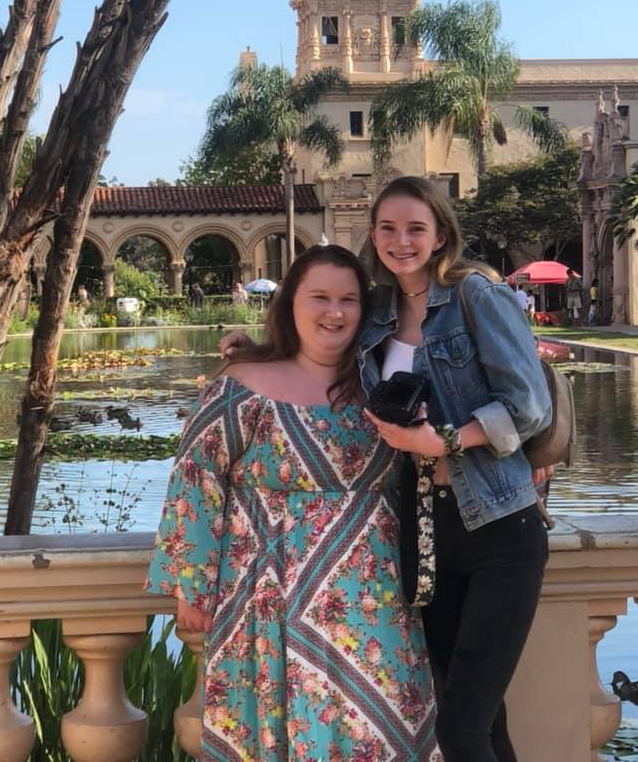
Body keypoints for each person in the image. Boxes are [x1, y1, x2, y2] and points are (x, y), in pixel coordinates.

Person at [220, 178, 551, 762]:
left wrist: (443, 440)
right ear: (373, 236)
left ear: (441, 234)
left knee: (461, 729)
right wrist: (256, 351)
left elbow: (528, 407)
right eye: (388, 228)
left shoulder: (476, 295)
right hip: (423, 533)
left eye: (416, 228)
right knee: (479, 715)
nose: (402, 241)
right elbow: (317, 344)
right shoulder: (376, 313)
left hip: (499, 525)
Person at [147, 245, 439, 761]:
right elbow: (195, 480)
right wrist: (192, 587)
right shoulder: (242, 387)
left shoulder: (384, 387)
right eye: (319, 297)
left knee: (380, 732)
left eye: (349, 300)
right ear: (290, 304)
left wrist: (526, 456)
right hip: (266, 597)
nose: (335, 312)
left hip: (375, 600)